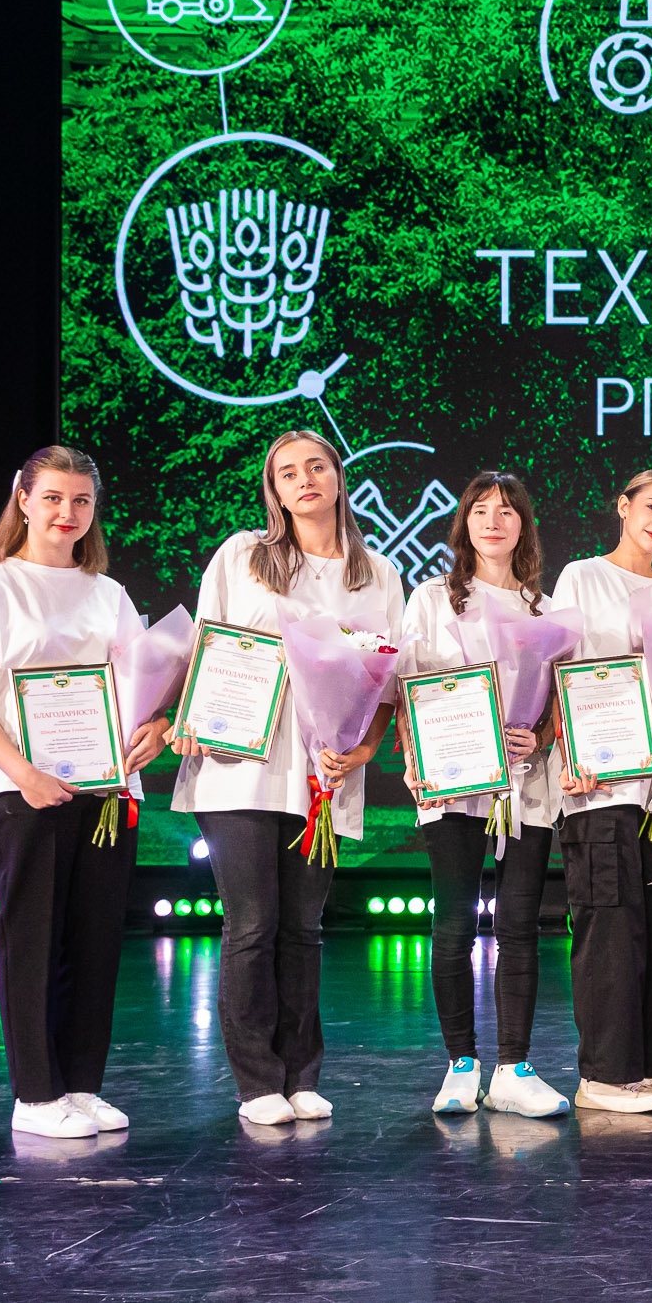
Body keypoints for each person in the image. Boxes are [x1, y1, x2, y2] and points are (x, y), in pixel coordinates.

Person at [173, 429, 407, 1126]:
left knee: (303, 928)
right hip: (239, 768)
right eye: (287, 473)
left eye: (316, 466)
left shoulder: (377, 574)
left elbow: (388, 680)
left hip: (322, 776)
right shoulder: (242, 555)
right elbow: (205, 647)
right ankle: (257, 1084)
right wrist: (191, 716)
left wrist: (364, 751)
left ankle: (303, 1074)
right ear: (273, 490)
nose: (304, 479)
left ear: (338, 476)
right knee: (252, 925)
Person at [0, 447, 172, 1138]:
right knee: (34, 939)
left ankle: (80, 1085)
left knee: (95, 941)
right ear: (23, 499)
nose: (66, 512)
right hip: (21, 790)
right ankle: (36, 1096)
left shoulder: (109, 593)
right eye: (52, 497)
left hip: (106, 789)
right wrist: (26, 774)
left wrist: (157, 726)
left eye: (80, 501)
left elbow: (142, 686)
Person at [396, 471, 570, 1119]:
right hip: (452, 784)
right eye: (480, 510)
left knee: (519, 925)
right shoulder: (430, 600)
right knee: (453, 924)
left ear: (524, 525)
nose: (493, 521)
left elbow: (560, 700)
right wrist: (414, 757)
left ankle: (514, 1068)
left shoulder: (545, 609)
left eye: (506, 511)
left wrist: (539, 735)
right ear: (464, 523)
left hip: (527, 786)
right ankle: (461, 1065)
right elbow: (406, 689)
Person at [551, 469, 652, 1114]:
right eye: (651, 507)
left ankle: (646, 1067)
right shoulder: (582, 577)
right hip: (598, 786)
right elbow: (557, 670)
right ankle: (603, 1076)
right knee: (608, 927)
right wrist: (571, 751)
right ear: (623, 506)